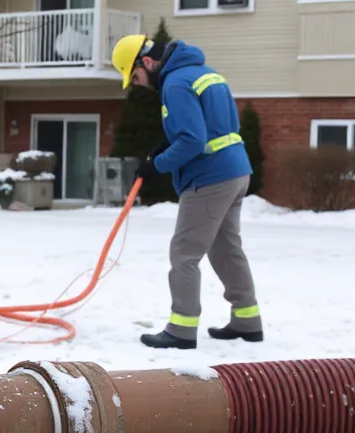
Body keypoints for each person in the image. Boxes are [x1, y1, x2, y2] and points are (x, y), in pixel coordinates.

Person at [111, 34, 262, 350]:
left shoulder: (175, 84)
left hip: (210, 177)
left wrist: (158, 165)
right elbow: (211, 126)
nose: (138, 85)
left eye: (135, 77)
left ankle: (181, 328)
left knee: (184, 252)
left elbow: (193, 140)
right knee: (225, 248)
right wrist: (166, 145)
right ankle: (247, 319)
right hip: (236, 171)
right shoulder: (203, 73)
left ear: (147, 62)